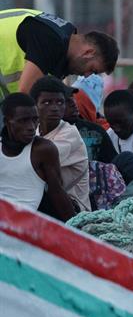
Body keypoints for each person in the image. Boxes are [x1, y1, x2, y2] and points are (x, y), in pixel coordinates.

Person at [0, 9, 118, 97]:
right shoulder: (51, 41)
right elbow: (24, 97)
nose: (87, 76)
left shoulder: (64, 42)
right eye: (92, 70)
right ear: (88, 52)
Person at [0, 93, 73, 219]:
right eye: (23, 121)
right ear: (7, 121)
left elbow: (57, 193)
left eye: (35, 120)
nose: (31, 127)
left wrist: (76, 229)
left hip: (28, 227)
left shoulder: (43, 149)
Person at [30, 76, 90, 214]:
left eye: (60, 102)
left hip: (74, 208)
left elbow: (35, 163)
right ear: (35, 106)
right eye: (47, 102)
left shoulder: (70, 134)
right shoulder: (36, 131)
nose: (55, 108)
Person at [64, 88, 117, 163]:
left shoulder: (95, 132)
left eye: (73, 98)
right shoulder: (44, 135)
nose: (73, 103)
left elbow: (113, 166)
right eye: (66, 100)